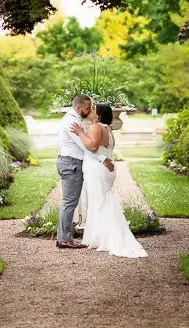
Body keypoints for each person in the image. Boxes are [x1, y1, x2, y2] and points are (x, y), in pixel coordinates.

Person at [70, 103, 148, 258]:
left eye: (93, 109)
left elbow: (92, 147)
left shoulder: (96, 127)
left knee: (98, 201)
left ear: (98, 115)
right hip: (105, 169)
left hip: (97, 169)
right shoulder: (108, 128)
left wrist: (80, 133)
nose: (91, 110)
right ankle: (102, 236)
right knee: (103, 200)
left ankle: (104, 239)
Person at [56, 94, 114, 249]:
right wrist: (103, 159)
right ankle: (63, 239)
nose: (90, 110)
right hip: (71, 163)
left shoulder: (74, 120)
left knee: (70, 202)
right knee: (69, 202)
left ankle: (63, 237)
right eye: (88, 108)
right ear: (78, 107)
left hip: (71, 162)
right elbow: (86, 147)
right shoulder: (72, 122)